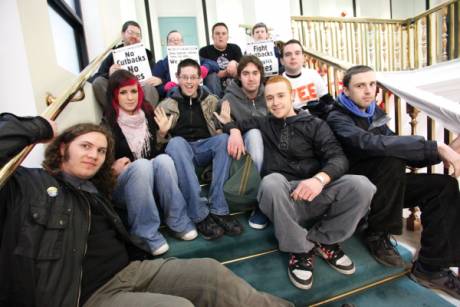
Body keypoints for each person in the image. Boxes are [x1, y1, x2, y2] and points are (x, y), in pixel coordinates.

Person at [0, 113, 294, 307]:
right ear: (63, 147)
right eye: (86, 146)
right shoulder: (27, 186)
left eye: (101, 151)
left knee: (211, 273)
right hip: (85, 295)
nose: (94, 155)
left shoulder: (95, 192)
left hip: (130, 271)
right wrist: (36, 128)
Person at [215, 75, 376, 290]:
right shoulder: (264, 122)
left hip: (315, 192)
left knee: (362, 185)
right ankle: (300, 250)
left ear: (292, 96)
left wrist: (318, 180)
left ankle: (325, 240)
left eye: (281, 96)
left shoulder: (316, 124)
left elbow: (338, 158)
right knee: (271, 182)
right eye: (270, 98)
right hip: (282, 199)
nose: (275, 102)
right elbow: (235, 123)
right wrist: (233, 130)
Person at [326, 65, 460, 299]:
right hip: (354, 189)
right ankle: (377, 233)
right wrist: (436, 147)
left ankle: (430, 268)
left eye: (372, 84)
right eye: (360, 86)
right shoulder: (337, 116)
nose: (368, 91)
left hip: (384, 185)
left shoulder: (373, 113)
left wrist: (440, 153)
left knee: (442, 187)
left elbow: (396, 144)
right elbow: (369, 144)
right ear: (345, 90)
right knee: (389, 159)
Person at [103, 69, 198, 256]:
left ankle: (178, 221)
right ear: (114, 96)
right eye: (123, 92)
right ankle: (145, 233)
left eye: (133, 91)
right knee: (141, 165)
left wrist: (162, 134)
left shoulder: (148, 114)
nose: (130, 97)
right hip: (124, 188)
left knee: (163, 160)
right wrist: (111, 168)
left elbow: (156, 153)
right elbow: (100, 167)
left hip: (151, 185)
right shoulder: (108, 124)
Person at [158, 58, 242, 240]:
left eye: (193, 77)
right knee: (176, 142)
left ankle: (219, 209)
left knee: (223, 139)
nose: (189, 81)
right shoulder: (166, 104)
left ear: (199, 79)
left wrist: (228, 124)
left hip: (205, 145)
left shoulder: (211, 100)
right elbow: (157, 144)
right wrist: (162, 133)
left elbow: (225, 120)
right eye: (185, 77)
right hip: (182, 149)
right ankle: (199, 214)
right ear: (178, 78)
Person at [219, 55, 268, 229]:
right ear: (239, 76)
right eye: (246, 73)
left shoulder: (269, 94)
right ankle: (260, 200)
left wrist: (235, 126)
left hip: (272, 145)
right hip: (246, 152)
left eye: (255, 73)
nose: (251, 77)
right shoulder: (228, 99)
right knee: (254, 134)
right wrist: (231, 129)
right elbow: (220, 124)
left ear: (261, 75)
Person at [91, 21, 161, 109]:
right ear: (123, 34)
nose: (135, 37)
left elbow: (158, 74)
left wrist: (159, 80)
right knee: (98, 82)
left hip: (140, 92)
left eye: (138, 35)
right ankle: (118, 114)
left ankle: (144, 118)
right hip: (118, 95)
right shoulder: (113, 55)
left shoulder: (146, 56)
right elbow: (96, 77)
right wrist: (109, 74)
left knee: (149, 88)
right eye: (131, 32)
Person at [152, 30, 221, 98]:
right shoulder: (161, 64)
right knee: (174, 90)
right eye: (172, 40)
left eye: (178, 40)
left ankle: (215, 103)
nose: (176, 43)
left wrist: (206, 67)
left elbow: (215, 65)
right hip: (176, 92)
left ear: (183, 43)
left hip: (197, 89)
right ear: (167, 45)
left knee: (212, 76)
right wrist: (164, 87)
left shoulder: (193, 57)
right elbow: (155, 87)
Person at [281, 39, 334, 117]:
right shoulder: (279, 83)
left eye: (297, 53)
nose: (293, 57)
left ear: (303, 57)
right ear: (282, 61)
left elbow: (326, 99)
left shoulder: (312, 74)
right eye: (288, 54)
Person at [199, 22, 243, 97]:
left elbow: (242, 68)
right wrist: (226, 72)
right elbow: (205, 73)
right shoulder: (204, 51)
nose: (220, 36)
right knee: (211, 76)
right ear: (212, 37)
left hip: (233, 81)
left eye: (223, 33)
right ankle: (215, 104)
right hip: (214, 85)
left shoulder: (235, 48)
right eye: (217, 33)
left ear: (228, 37)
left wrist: (234, 62)